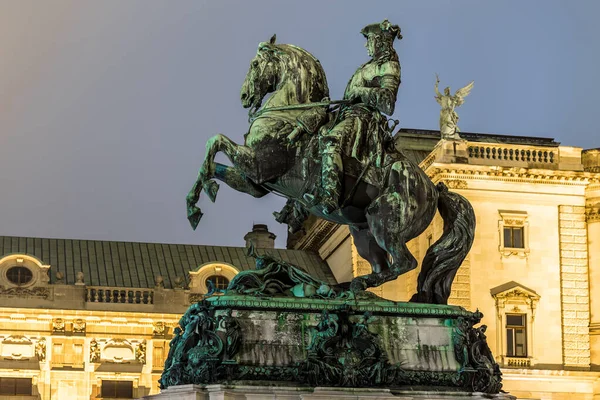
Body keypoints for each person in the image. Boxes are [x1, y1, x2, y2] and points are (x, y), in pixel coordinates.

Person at [306, 20, 402, 214]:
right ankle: (297, 209)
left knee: (331, 141)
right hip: (346, 115)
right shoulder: (366, 67)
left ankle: (330, 195)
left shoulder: (389, 66)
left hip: (363, 120)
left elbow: (388, 103)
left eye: (369, 41)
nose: (366, 45)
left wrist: (360, 91)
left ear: (379, 42)